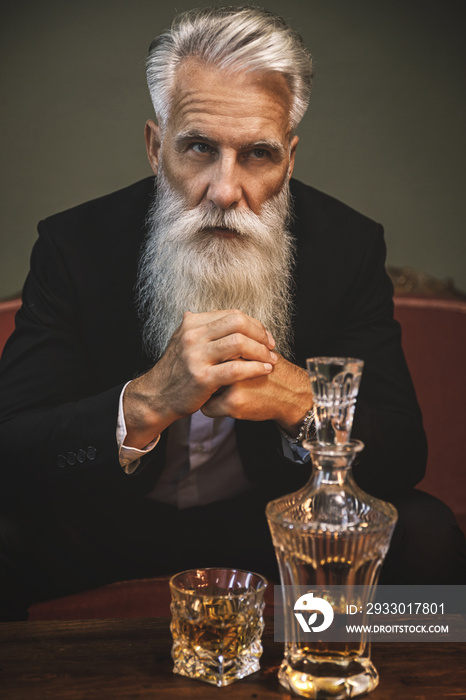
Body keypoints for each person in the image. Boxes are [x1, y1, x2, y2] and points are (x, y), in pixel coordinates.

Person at [0, 6, 464, 620]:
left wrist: (295, 400)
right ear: (154, 146)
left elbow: (404, 452)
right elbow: (13, 449)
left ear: (289, 159)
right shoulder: (75, 244)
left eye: (257, 155)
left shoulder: (346, 246)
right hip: (102, 522)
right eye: (198, 148)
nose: (225, 190)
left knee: (427, 535)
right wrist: (146, 402)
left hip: (269, 526)